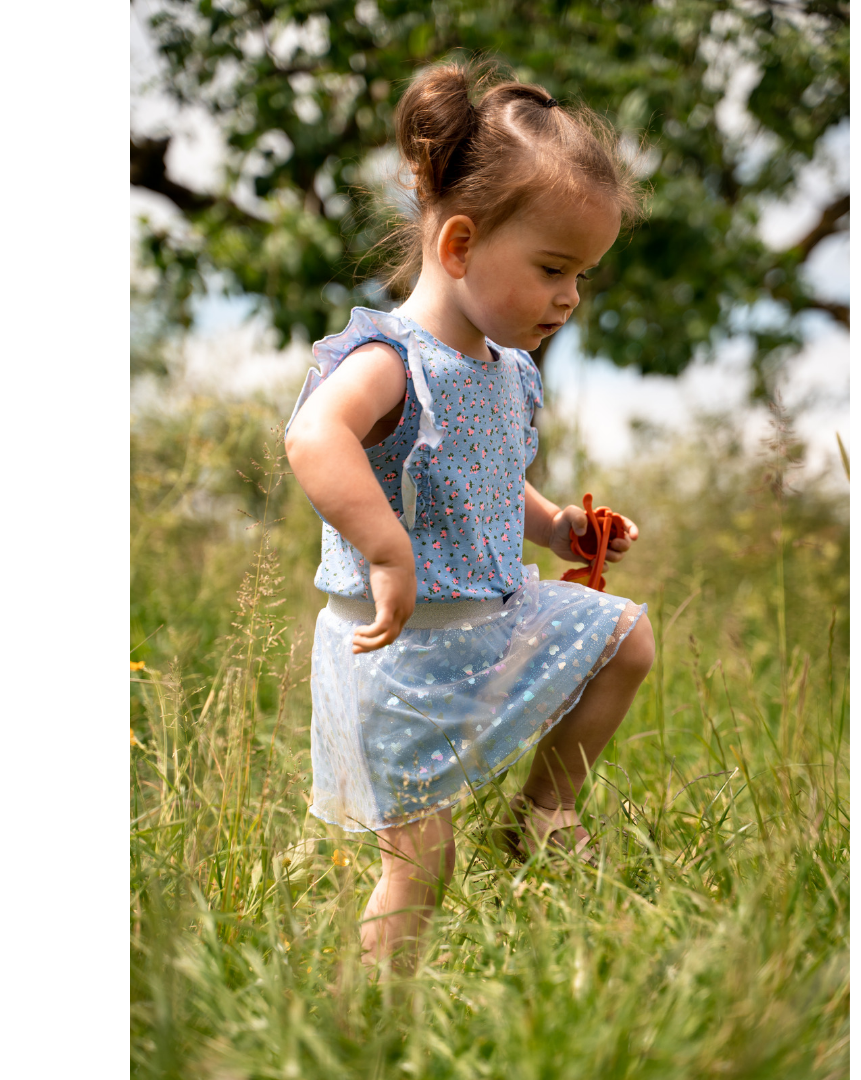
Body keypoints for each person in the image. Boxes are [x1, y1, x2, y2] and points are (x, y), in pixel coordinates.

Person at [284, 61, 655, 969]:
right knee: (422, 860)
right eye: (554, 269)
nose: (570, 298)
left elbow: (486, 481)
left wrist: (558, 525)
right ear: (458, 247)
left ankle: (544, 812)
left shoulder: (504, 368)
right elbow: (314, 436)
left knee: (627, 637)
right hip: (403, 651)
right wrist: (385, 549)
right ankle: (370, 1016)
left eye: (583, 276)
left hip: (489, 624)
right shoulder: (390, 358)